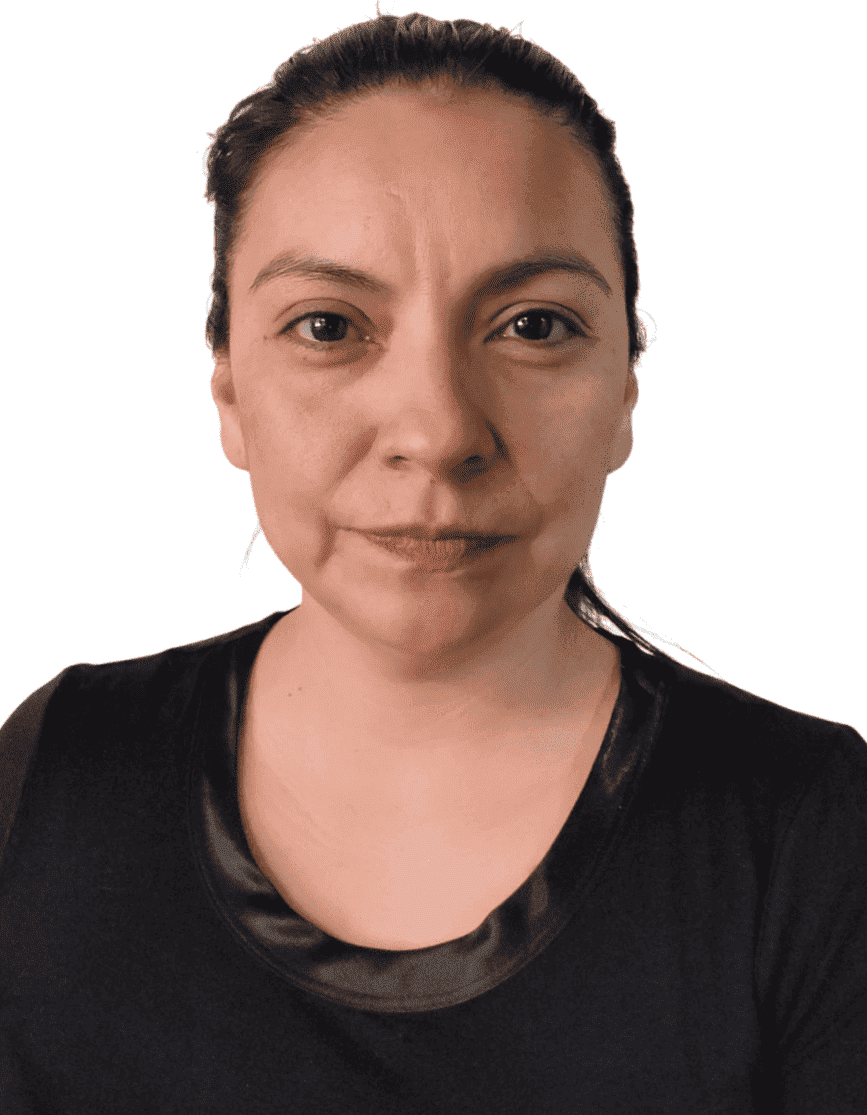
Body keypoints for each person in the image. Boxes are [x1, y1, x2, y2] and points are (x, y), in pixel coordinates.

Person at [1, 11, 864, 1113]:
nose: (438, 429)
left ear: (625, 390)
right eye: (328, 326)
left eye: (533, 325)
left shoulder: (807, 835)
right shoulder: (52, 779)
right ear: (230, 392)